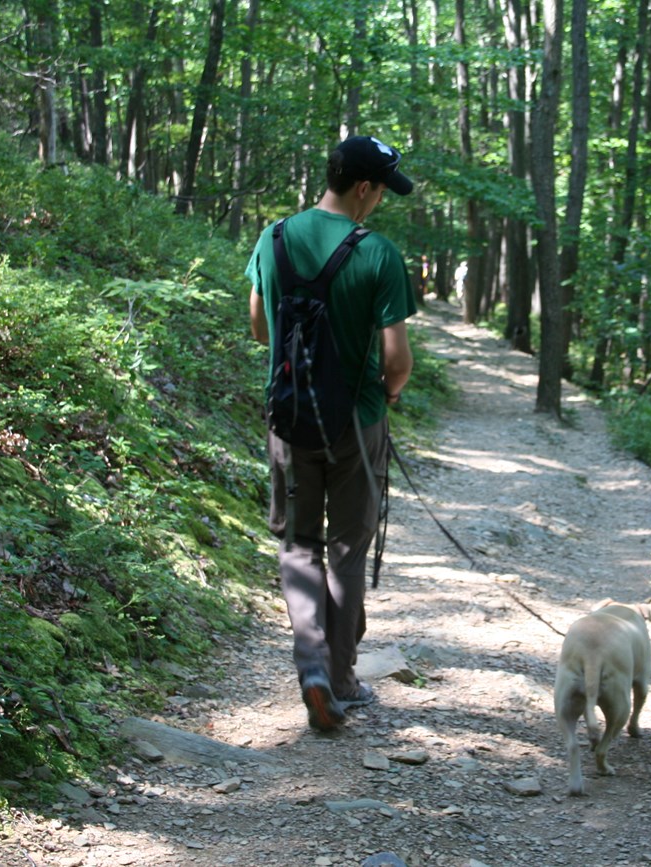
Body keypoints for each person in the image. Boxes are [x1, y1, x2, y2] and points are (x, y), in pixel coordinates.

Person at [246, 135, 416, 731]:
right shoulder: (379, 255)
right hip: (357, 421)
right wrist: (389, 391)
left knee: (298, 545)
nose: (379, 205)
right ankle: (341, 681)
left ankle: (311, 668)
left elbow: (259, 327)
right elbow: (397, 358)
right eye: (380, 193)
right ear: (364, 188)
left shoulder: (273, 239)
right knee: (346, 550)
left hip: (288, 419)